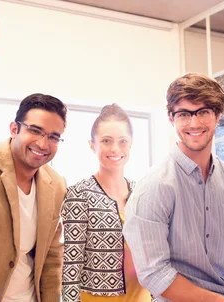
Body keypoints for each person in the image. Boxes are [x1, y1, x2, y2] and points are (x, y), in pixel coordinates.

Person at [122, 73, 224, 302]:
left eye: (203, 112)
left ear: (217, 116)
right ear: (171, 118)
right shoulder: (152, 188)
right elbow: (155, 275)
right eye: (184, 114)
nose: (194, 123)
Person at [0, 93, 68, 302]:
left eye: (53, 137)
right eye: (35, 131)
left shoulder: (56, 184)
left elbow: (52, 258)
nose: (43, 143)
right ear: (14, 129)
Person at [61, 104, 151, 302]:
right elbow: (70, 268)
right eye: (106, 141)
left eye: (123, 141)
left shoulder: (143, 193)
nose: (115, 148)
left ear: (131, 144)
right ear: (92, 145)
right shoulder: (79, 194)